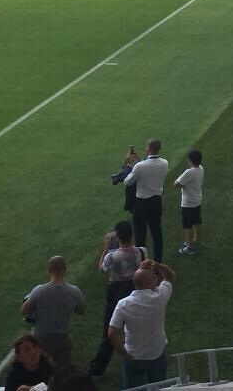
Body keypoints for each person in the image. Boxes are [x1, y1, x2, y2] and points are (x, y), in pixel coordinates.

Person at [108, 259, 176, 389]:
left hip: (134, 356)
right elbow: (170, 275)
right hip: (156, 354)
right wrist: (156, 265)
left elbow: (112, 333)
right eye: (154, 277)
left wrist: (125, 354)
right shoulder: (160, 296)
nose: (156, 279)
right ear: (147, 283)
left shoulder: (123, 304)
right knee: (159, 387)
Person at [89, 221, 146, 376]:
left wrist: (106, 247)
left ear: (118, 238)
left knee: (109, 330)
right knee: (135, 326)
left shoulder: (111, 256)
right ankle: (141, 357)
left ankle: (98, 368)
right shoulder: (141, 251)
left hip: (115, 293)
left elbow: (101, 268)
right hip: (134, 291)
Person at [23, 256, 88, 368]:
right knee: (64, 368)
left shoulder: (39, 290)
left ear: (49, 270)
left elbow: (24, 311)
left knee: (42, 367)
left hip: (41, 337)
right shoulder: (74, 291)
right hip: (63, 336)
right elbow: (81, 311)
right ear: (65, 270)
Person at [125, 140, 169, 261]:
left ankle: (142, 262)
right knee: (157, 232)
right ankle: (158, 261)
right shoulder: (164, 163)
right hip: (156, 201)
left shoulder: (140, 166)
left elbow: (128, 181)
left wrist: (127, 165)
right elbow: (148, 168)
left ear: (148, 149)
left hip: (141, 203)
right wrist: (139, 160)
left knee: (140, 235)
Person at [175, 149, 204, 255]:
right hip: (197, 200)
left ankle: (190, 246)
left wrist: (181, 176)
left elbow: (176, 184)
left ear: (190, 160)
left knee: (187, 225)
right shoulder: (201, 168)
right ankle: (197, 241)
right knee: (197, 221)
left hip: (188, 203)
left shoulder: (189, 172)